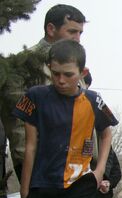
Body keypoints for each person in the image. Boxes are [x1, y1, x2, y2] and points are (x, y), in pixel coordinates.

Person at [12, 40, 118, 198]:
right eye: (55, 73)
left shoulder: (94, 100)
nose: (60, 80)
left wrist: (100, 169)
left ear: (82, 72)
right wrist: (25, 189)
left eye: (67, 75)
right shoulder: (35, 97)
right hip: (42, 185)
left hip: (79, 186)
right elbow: (31, 145)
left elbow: (106, 133)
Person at [3, 4, 87, 184]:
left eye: (80, 33)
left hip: (75, 164)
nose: (77, 38)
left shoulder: (76, 66)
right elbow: (17, 121)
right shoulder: (25, 64)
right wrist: (28, 162)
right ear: (51, 29)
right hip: (39, 166)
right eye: (72, 31)